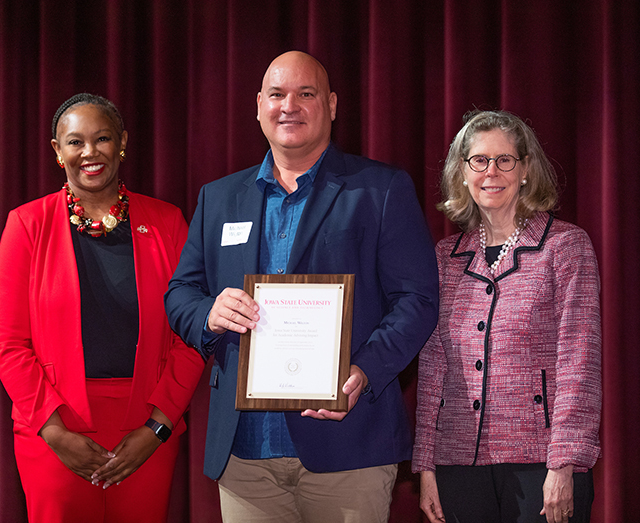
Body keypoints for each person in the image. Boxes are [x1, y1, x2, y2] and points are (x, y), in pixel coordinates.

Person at [164, 50, 439, 523]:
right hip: (246, 455)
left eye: (305, 94)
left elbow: (417, 301)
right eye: (277, 94)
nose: (289, 105)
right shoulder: (219, 197)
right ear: (257, 106)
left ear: (331, 105)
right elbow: (180, 294)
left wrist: (366, 370)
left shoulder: (381, 189)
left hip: (349, 447)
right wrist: (208, 313)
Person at [0, 93, 205, 523]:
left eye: (102, 138)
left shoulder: (167, 222)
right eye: (75, 141)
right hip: (54, 428)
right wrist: (53, 431)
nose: (90, 152)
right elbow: (6, 342)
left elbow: (194, 335)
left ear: (121, 143)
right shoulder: (27, 224)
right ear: (57, 151)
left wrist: (156, 428)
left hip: (146, 427)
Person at [412, 109, 602, 523]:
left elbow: (578, 363)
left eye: (504, 160)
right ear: (463, 173)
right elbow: (433, 366)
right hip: (458, 463)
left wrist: (564, 463)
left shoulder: (565, 247)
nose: (490, 172)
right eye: (478, 160)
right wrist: (426, 465)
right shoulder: (446, 257)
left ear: (526, 170)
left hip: (541, 463)